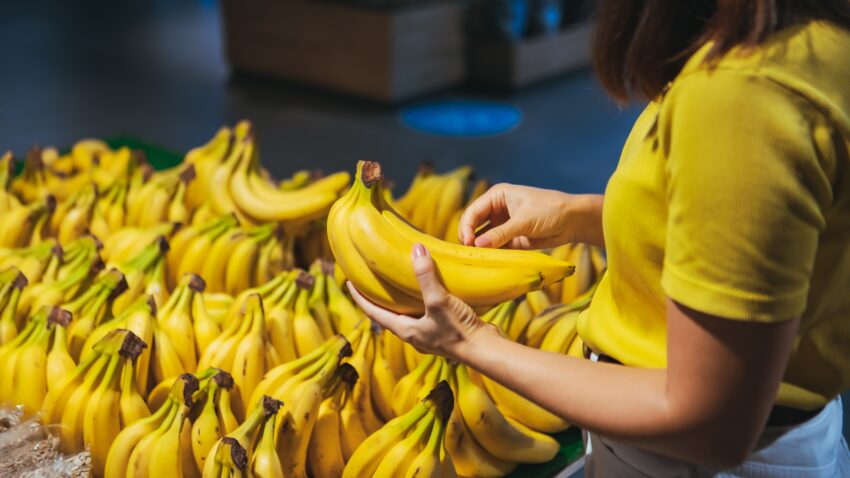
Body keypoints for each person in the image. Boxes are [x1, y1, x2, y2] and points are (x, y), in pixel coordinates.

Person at [348, 0, 850, 475]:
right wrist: (578, 216)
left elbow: (710, 424)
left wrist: (472, 342)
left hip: (694, 463)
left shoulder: (739, 98)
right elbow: (755, 237)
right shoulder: (812, 43)